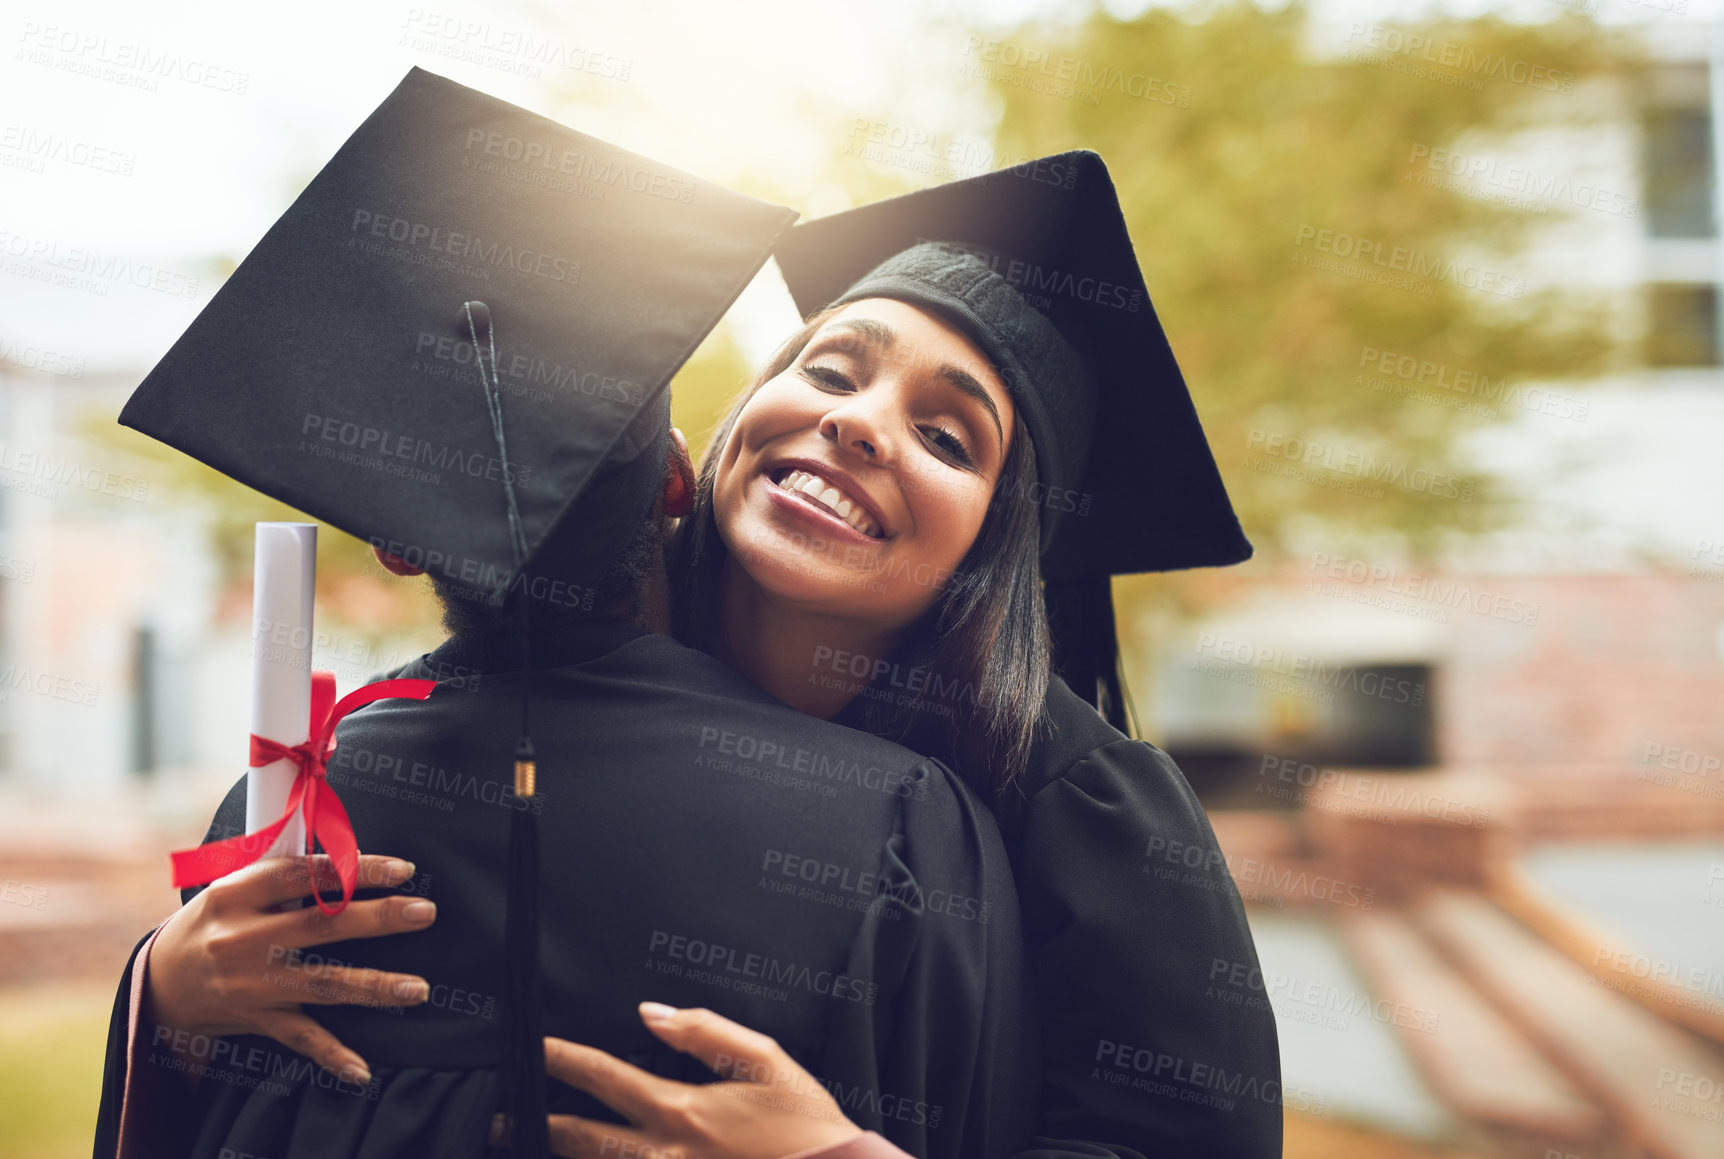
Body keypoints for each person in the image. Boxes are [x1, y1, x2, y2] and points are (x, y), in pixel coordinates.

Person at [115, 152, 1283, 1159]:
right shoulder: (554, 684)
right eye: (829, 368)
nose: (857, 420)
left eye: (945, 434)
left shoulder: (1076, 798)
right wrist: (165, 985)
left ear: (996, 541)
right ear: (706, 447)